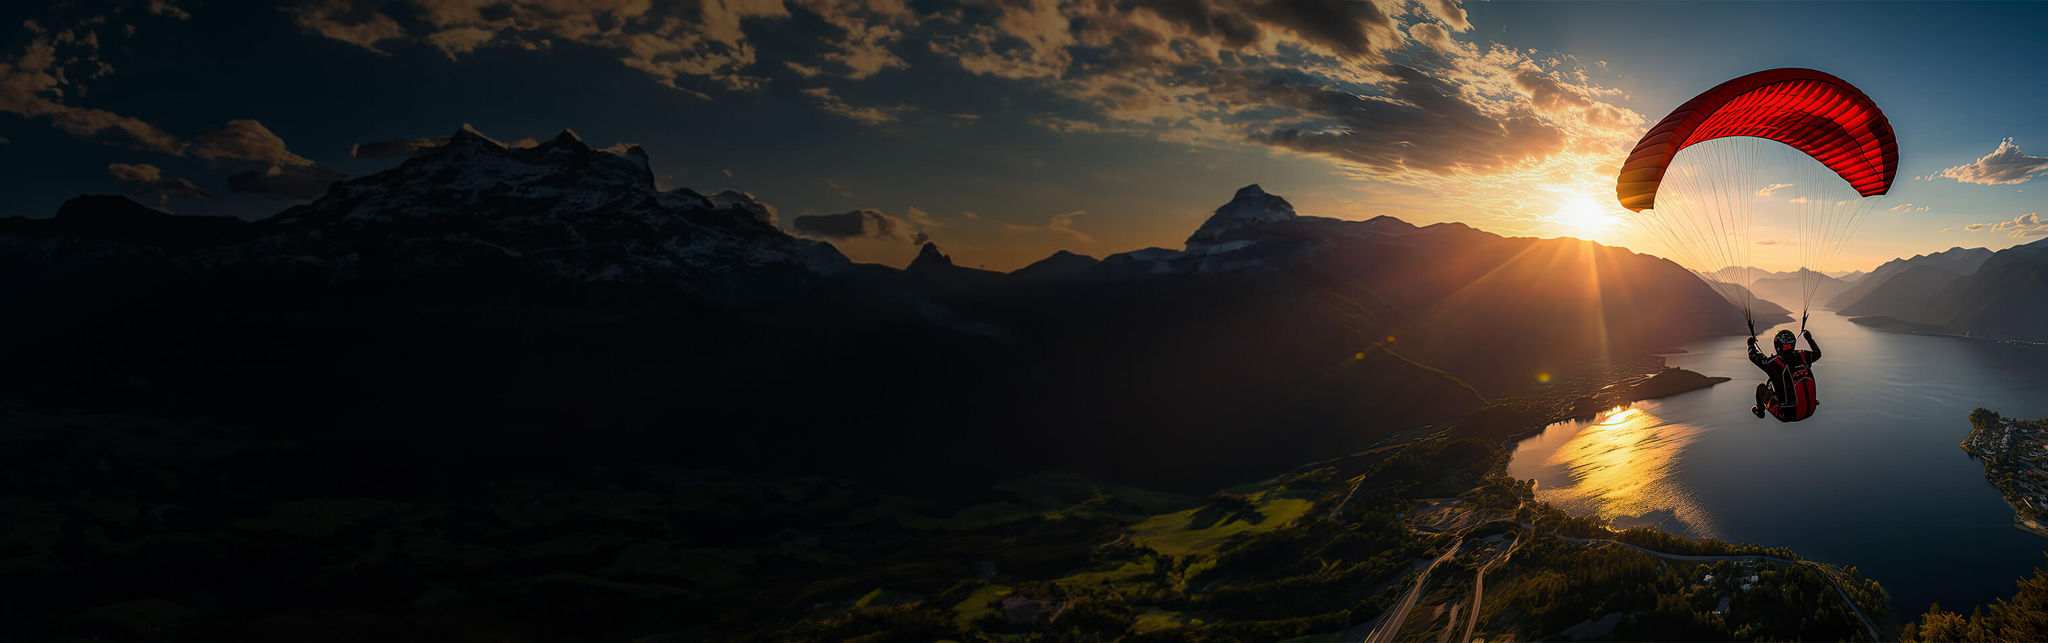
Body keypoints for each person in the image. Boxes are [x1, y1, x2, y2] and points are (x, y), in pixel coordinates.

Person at [1749, 328, 1820, 422]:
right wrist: (1809, 338)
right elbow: (1817, 354)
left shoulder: (1776, 363)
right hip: (1810, 410)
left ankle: (1760, 412)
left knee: (1761, 388)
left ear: (1777, 345)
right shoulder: (1803, 356)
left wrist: (1750, 344)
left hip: (1786, 415)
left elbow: (1753, 356)